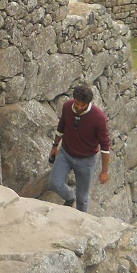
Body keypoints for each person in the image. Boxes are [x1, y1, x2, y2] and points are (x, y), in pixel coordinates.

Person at [47, 84, 111, 212]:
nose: (79, 107)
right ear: (74, 99)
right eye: (77, 104)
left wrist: (104, 171)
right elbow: (61, 128)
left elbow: (105, 146)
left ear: (89, 103)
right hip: (65, 154)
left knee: (82, 198)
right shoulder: (67, 107)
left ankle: (83, 218)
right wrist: (55, 146)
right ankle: (70, 196)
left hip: (86, 161)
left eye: (83, 105)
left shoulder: (99, 118)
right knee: (54, 183)